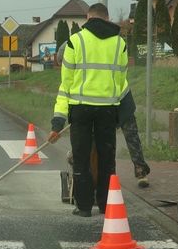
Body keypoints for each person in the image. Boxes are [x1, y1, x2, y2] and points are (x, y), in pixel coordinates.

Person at [48, 3, 127, 217]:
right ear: (107, 17)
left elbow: (66, 86)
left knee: (82, 158)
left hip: (81, 109)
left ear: (88, 17)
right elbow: (121, 83)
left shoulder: (75, 41)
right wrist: (121, 114)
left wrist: (58, 122)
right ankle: (105, 205)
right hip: (108, 110)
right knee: (106, 159)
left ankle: (83, 207)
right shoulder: (120, 44)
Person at [58, 40, 151, 189]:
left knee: (130, 135)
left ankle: (140, 169)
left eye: (63, 62)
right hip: (107, 103)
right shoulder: (81, 67)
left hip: (120, 100)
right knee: (99, 140)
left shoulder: (85, 68)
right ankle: (93, 170)